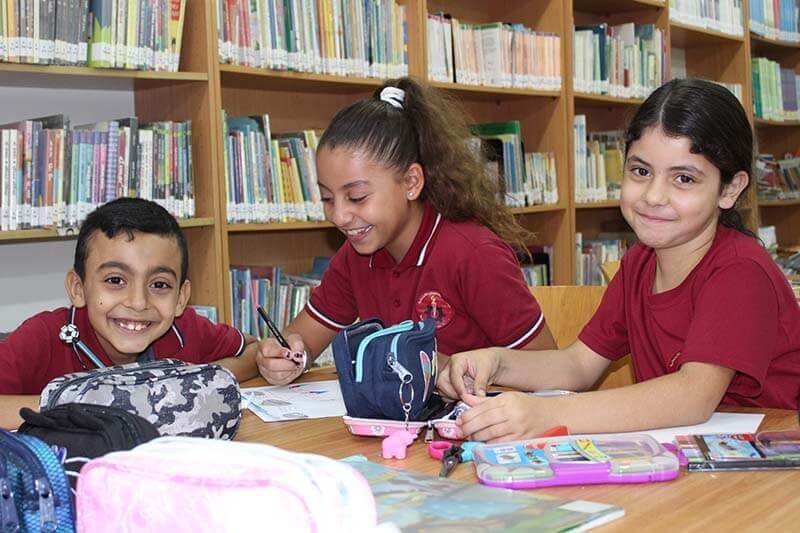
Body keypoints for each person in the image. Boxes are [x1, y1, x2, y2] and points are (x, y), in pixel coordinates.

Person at [438, 78, 800, 442]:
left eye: (684, 178)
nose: (654, 196)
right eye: (641, 171)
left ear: (730, 189)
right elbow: (579, 365)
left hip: (767, 459)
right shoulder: (639, 262)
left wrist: (545, 413)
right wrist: (496, 361)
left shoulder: (741, 270)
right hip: (685, 453)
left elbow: (693, 396)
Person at [258, 77, 556, 385]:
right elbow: (302, 340)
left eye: (357, 197)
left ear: (411, 182)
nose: (339, 216)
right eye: (327, 198)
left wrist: (446, 368)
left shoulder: (474, 254)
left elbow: (549, 370)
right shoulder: (357, 255)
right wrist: (284, 357)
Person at [0, 198, 262, 429]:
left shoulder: (184, 328)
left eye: (159, 285)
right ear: (78, 289)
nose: (138, 303)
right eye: (115, 280)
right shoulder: (43, 336)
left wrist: (186, 385)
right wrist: (90, 404)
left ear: (181, 298)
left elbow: (252, 350)